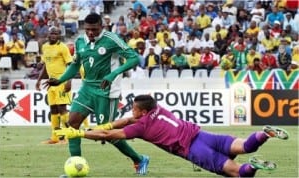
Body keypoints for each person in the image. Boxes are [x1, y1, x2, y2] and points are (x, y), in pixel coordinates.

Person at [55, 94, 290, 177]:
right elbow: (124, 120)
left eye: (135, 109)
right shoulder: (158, 109)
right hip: (204, 135)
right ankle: (264, 133)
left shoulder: (142, 127)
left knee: (238, 174)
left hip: (193, 150)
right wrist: (104, 124)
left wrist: (80, 133)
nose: (132, 112)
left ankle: (253, 167)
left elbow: (116, 132)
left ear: (143, 112)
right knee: (246, 145)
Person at [44, 13, 149, 175]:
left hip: (107, 91)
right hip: (87, 89)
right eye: (87, 29)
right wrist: (60, 80)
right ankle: (76, 166)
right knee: (72, 124)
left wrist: (114, 74)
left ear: (102, 27)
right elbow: (75, 65)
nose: (90, 33)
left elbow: (134, 59)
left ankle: (139, 159)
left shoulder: (111, 39)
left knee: (106, 134)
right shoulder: (80, 41)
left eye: (94, 29)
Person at [36, 26, 73, 144]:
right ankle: (55, 137)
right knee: (53, 110)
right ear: (48, 34)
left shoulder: (63, 48)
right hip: (51, 83)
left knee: (62, 109)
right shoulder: (45, 47)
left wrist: (68, 81)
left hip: (61, 82)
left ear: (59, 35)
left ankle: (68, 136)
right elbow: (45, 66)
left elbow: (70, 65)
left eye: (55, 34)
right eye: (51, 33)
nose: (53, 35)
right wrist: (38, 80)